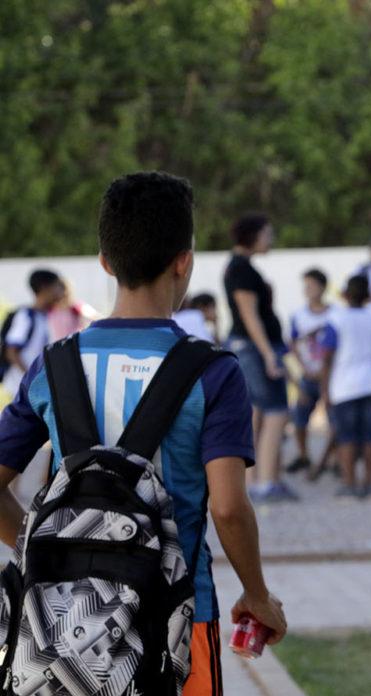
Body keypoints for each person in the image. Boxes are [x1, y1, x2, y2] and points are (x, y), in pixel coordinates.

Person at [0, 172, 286, 695]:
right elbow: (227, 507)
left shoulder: (54, 367)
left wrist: (36, 547)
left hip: (64, 622)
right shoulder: (213, 372)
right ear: (185, 260)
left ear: (106, 262)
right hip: (179, 614)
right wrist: (257, 594)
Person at [224, 213, 296, 503]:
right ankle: (266, 482)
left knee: (257, 413)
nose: (271, 239)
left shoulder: (242, 267)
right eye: (267, 233)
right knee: (276, 410)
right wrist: (268, 354)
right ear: (253, 235)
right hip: (253, 349)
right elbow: (249, 315)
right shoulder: (241, 270)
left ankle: (256, 481)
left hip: (252, 347)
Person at [321, 275, 371, 498]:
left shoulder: (336, 319)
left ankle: (349, 482)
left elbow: (327, 357)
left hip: (345, 386)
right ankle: (369, 482)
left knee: (347, 436)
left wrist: (324, 389)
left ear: (345, 294)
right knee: (369, 436)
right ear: (368, 295)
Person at [287, 269, 334, 476]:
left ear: (323, 287)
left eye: (312, 285)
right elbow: (293, 343)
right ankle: (304, 455)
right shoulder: (299, 315)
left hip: (331, 377)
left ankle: (332, 459)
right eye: (306, 286)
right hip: (308, 375)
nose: (308, 290)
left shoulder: (335, 314)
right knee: (300, 417)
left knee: (334, 420)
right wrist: (303, 367)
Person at [2, 269, 64, 398]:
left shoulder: (45, 316)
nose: (61, 292)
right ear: (44, 287)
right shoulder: (26, 315)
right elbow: (11, 351)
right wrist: (30, 379)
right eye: (57, 286)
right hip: (19, 388)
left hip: (32, 388)